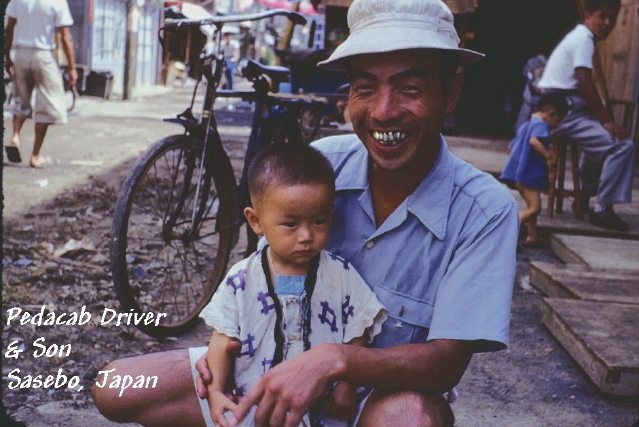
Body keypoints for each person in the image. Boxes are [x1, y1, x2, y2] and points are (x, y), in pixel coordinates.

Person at [92, 1, 519, 426]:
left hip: (368, 402)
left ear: (451, 92)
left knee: (412, 418)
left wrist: (335, 361)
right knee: (116, 386)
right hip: (266, 369)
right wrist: (223, 353)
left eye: (410, 88)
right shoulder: (320, 165)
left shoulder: (484, 210)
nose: (384, 111)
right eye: (365, 87)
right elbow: (259, 277)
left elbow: (445, 363)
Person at [200, 143, 386, 427]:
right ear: (255, 220)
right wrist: (214, 392)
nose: (306, 236)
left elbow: (357, 328)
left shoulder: (340, 274)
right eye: (290, 224)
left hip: (324, 405)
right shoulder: (242, 279)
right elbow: (223, 337)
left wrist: (347, 386)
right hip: (256, 401)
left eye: (319, 221)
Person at [536, 0, 634, 231]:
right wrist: (606, 120)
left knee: (598, 145)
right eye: (602, 16)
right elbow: (583, 81)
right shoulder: (583, 39)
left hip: (564, 107)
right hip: (562, 111)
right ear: (588, 15)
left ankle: (584, 197)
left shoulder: (580, 37)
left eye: (612, 18)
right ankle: (603, 208)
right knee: (622, 146)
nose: (607, 23)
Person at [3, 0, 77, 168]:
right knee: (46, 105)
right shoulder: (57, 2)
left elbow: (9, 29)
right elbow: (66, 37)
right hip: (43, 56)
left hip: (21, 53)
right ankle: (35, 155)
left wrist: (7, 57)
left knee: (21, 100)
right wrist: (72, 68)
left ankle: (15, 136)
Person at [501, 93, 569, 247]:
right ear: (552, 113)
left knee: (531, 205)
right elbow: (534, 141)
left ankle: (532, 235)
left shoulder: (526, 125)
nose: (556, 125)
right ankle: (502, 228)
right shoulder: (541, 124)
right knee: (535, 208)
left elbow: (510, 148)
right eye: (558, 121)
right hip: (527, 176)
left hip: (519, 174)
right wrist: (548, 156)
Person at [513, 51, 548, 132]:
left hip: (539, 98)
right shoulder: (532, 61)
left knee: (536, 123)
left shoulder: (548, 62)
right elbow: (527, 74)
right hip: (530, 97)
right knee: (523, 122)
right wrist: (533, 80)